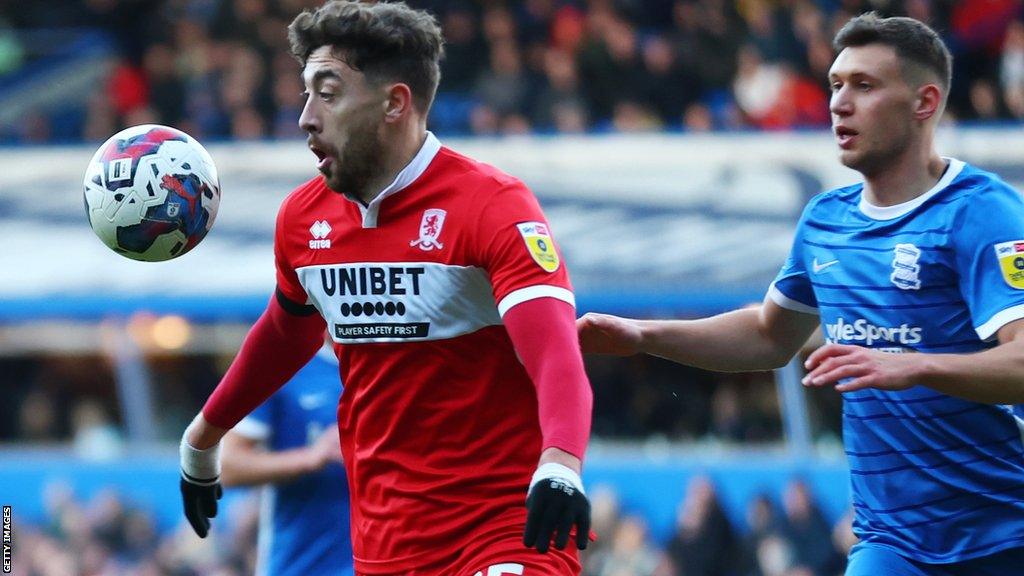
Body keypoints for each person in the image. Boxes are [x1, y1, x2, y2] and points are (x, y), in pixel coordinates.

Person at [579, 13, 1024, 576]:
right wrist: (645, 334)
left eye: (864, 85)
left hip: (1003, 533)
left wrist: (912, 366)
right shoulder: (825, 222)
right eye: (836, 84)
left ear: (924, 102)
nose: (840, 102)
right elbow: (769, 336)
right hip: (891, 543)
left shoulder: (981, 212)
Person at [177, 2, 594, 575]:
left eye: (327, 93)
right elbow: (286, 334)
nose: (305, 118)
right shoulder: (302, 220)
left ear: (394, 103)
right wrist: (202, 439)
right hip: (386, 545)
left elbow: (556, 355)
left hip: (506, 530)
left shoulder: (493, 207)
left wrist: (560, 464)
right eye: (305, 94)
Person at [220, 345, 353, 576]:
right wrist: (311, 458)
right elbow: (223, 466)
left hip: (390, 560)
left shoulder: (400, 363)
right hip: (304, 566)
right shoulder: (282, 364)